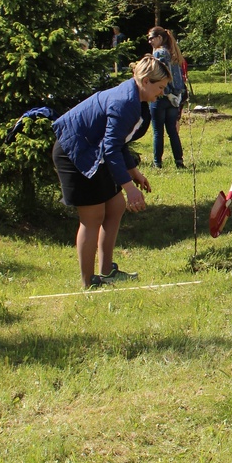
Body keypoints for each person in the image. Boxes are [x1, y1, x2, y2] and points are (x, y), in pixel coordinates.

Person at [51, 55, 168, 289]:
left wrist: (133, 171)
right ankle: (88, 282)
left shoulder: (136, 98)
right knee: (92, 217)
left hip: (94, 150)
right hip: (74, 152)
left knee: (115, 206)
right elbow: (110, 148)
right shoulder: (125, 102)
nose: (162, 93)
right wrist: (129, 188)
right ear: (145, 81)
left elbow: (118, 142)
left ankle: (106, 272)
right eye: (160, 87)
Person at [146, 27, 186, 169]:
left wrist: (166, 92)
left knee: (158, 132)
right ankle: (179, 161)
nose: (149, 41)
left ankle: (157, 163)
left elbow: (159, 76)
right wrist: (176, 94)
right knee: (172, 132)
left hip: (161, 96)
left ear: (160, 38)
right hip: (174, 98)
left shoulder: (159, 53)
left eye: (152, 37)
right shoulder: (174, 52)